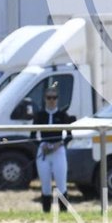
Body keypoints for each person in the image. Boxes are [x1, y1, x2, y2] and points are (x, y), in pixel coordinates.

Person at [31, 83, 74, 213]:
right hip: (44, 151)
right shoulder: (39, 115)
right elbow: (32, 136)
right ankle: (46, 211)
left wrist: (58, 144)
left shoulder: (63, 115)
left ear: (57, 99)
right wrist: (42, 145)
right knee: (45, 184)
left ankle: (63, 211)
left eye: (54, 98)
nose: (51, 100)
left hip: (58, 151)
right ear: (45, 99)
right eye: (49, 97)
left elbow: (69, 136)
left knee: (61, 183)